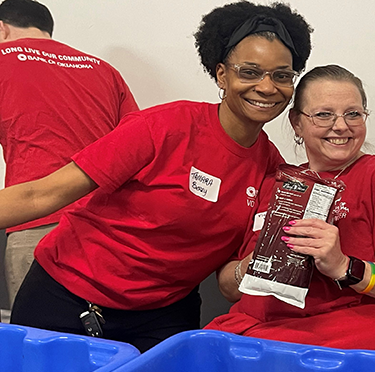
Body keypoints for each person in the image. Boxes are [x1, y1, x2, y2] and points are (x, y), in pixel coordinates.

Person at [0, 1, 312, 352]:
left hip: (163, 316)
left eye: (282, 76)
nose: (267, 87)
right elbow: (41, 195)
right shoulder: (164, 127)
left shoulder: (274, 171)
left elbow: (229, 282)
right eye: (250, 71)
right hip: (66, 297)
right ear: (222, 74)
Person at [206, 65, 375, 372]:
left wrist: (344, 266)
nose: (341, 126)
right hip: (268, 344)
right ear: (297, 123)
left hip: (369, 347)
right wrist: (253, 265)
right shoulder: (276, 185)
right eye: (323, 115)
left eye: (353, 114)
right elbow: (230, 288)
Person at [0, 0, 138, 308]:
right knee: (101, 342)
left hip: (35, 224)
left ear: (1, 28)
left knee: (39, 341)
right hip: (107, 228)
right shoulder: (104, 70)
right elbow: (135, 148)